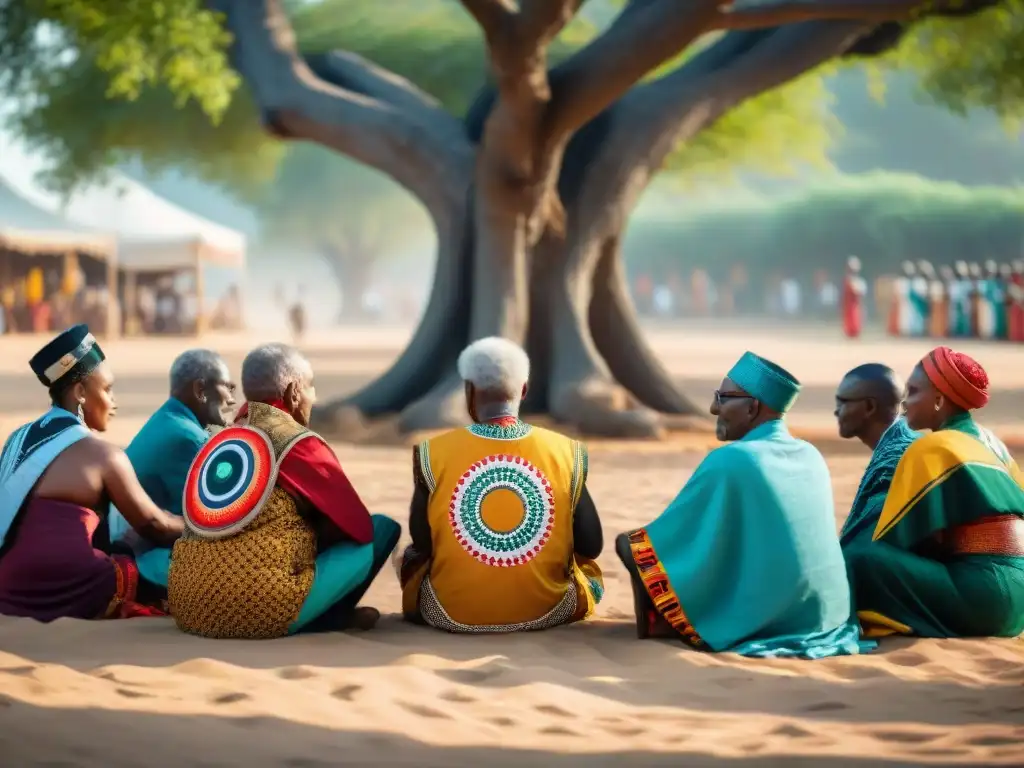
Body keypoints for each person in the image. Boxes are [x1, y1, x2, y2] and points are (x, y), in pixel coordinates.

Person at [616, 352, 870, 658]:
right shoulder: (811, 455)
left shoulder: (733, 459)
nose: (713, 408)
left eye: (723, 398)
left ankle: (665, 624)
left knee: (633, 548)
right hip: (826, 615)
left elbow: (668, 541)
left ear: (752, 408)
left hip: (770, 616)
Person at [167, 343, 400, 638]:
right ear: (293, 392)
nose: (313, 397)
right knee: (380, 531)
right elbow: (357, 529)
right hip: (261, 612)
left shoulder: (218, 439)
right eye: (311, 388)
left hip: (189, 606)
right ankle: (329, 617)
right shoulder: (298, 443)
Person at [398, 337, 604, 632]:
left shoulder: (432, 452)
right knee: (589, 572)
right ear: (524, 389)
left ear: (469, 390)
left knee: (407, 558)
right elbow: (591, 545)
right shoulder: (566, 451)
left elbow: (422, 542)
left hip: (447, 613)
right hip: (551, 609)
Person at [0, 325, 184, 621]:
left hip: (7, 587)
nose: (114, 402)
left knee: (126, 545)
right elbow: (153, 524)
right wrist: (198, 525)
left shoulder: (18, 440)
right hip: (72, 584)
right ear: (81, 392)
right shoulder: (104, 455)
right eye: (108, 389)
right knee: (152, 565)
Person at [846, 347, 1024, 638]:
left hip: (987, 597)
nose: (904, 402)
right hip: (1020, 600)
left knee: (860, 558)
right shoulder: (994, 443)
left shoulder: (932, 447)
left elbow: (898, 538)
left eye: (914, 392)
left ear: (939, 400)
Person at [108, 349, 237, 590]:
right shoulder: (190, 439)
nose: (231, 400)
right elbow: (218, 521)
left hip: (130, 549)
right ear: (200, 390)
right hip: (145, 562)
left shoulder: (166, 420)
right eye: (227, 388)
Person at [834, 364, 917, 550]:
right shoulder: (900, 443)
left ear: (869, 407)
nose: (836, 411)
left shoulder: (894, 462)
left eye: (843, 402)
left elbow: (861, 543)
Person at [841, 256, 865, 339]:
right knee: (851, 318)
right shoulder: (849, 279)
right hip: (850, 304)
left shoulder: (856, 280)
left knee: (855, 318)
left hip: (855, 304)